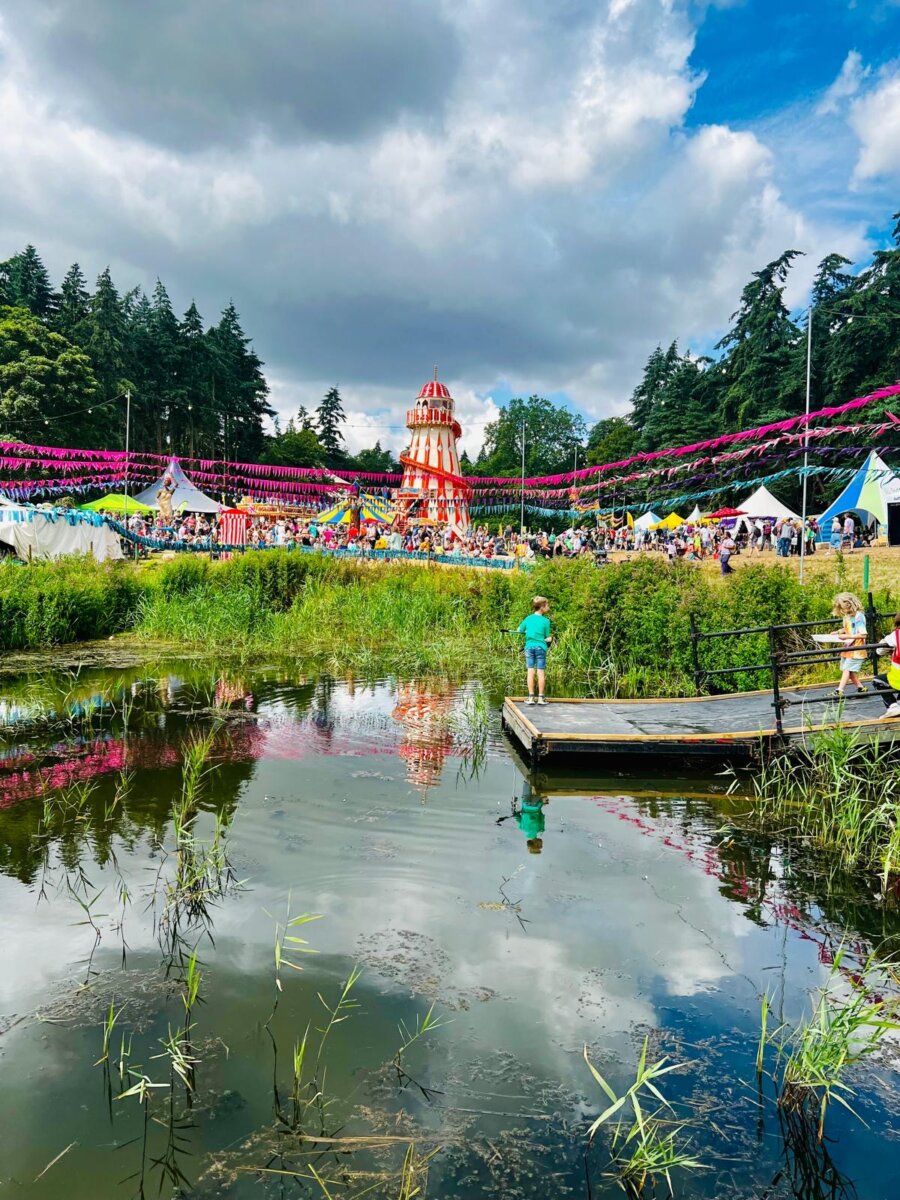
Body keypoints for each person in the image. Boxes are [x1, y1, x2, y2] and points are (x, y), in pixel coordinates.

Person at [517, 595, 552, 705]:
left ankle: (531, 698)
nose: (548, 607)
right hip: (541, 647)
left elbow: (519, 630)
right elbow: (546, 637)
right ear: (542, 607)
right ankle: (541, 698)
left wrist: (526, 631)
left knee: (530, 671)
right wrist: (549, 638)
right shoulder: (546, 621)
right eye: (547, 605)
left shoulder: (528, 618)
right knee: (540, 671)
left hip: (529, 647)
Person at [832, 592, 868, 697]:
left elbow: (863, 634)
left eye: (842, 607)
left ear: (848, 604)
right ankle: (861, 687)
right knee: (848, 669)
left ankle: (839, 690)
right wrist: (839, 631)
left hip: (856, 648)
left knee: (847, 668)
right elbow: (850, 628)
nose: (842, 610)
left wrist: (846, 636)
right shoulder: (848, 616)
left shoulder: (859, 616)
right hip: (849, 647)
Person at [874, 615, 900, 718]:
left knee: (878, 680)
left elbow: (879, 650)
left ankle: (893, 706)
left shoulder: (896, 635)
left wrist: (891, 649)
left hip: (898, 676)